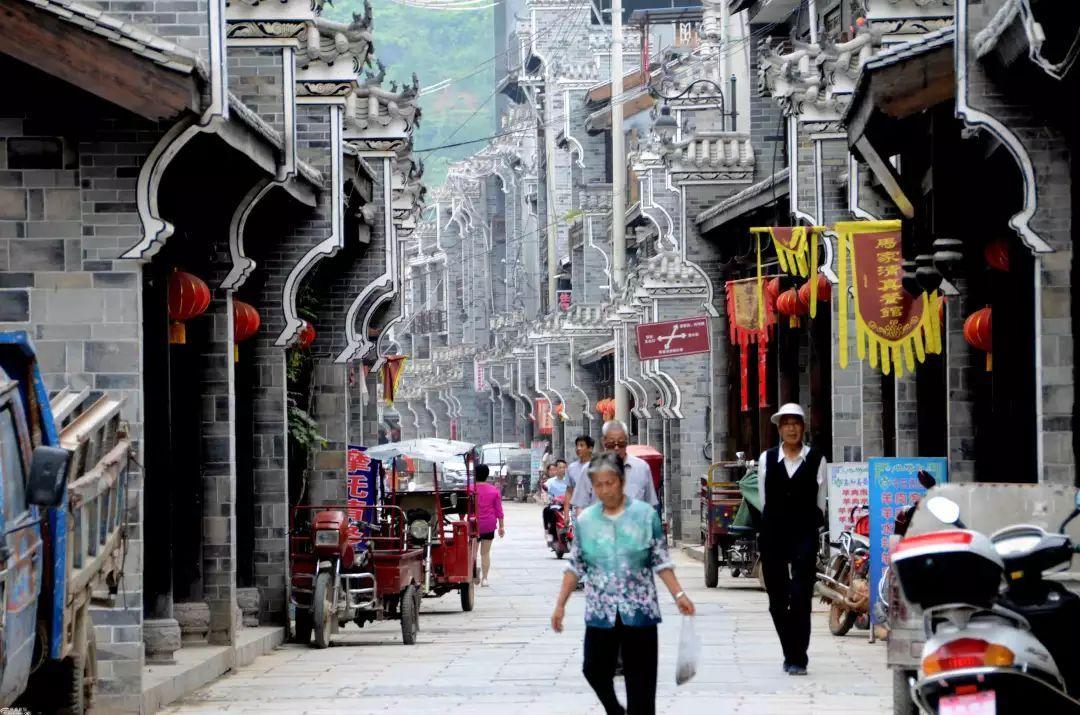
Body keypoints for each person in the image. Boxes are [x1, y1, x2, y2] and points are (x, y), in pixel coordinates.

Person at [551, 453, 694, 715]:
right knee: (593, 669)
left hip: (639, 611)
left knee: (641, 685)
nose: (605, 490)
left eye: (610, 483)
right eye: (599, 484)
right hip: (601, 611)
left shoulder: (644, 516)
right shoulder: (586, 521)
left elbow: (661, 560)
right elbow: (575, 566)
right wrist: (560, 605)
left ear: (622, 481)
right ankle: (616, 711)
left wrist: (679, 595)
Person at [757, 403, 827, 676]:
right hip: (773, 533)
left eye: (796, 423)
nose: (791, 428)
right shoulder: (767, 459)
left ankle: (798, 657)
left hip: (804, 534)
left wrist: (809, 525)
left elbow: (820, 503)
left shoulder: (817, 459)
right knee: (777, 600)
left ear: (803, 427)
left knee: (800, 595)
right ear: (779, 429)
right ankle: (790, 650)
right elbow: (764, 500)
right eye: (786, 423)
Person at [570, 420, 659, 510]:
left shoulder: (642, 467)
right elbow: (580, 507)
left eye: (621, 444)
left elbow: (650, 506)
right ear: (603, 441)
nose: (616, 448)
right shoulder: (589, 469)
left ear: (627, 440)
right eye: (611, 444)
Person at [472, 464, 504, 587]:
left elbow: (464, 509)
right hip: (488, 525)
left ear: (475, 474)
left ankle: (474, 576)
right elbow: (499, 510)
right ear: (487, 475)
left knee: (473, 553)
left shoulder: (470, 489)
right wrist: (501, 526)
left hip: (473, 525)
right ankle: (485, 579)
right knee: (485, 553)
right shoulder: (494, 490)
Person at [564, 435, 594, 519]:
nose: (578, 448)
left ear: (590, 448)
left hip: (595, 511)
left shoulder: (598, 466)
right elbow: (569, 491)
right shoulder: (571, 468)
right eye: (577, 446)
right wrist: (566, 514)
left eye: (581, 445)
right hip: (577, 512)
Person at [541, 463, 568, 543]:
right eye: (560, 468)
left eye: (563, 468)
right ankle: (551, 533)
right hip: (556, 504)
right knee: (549, 511)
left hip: (569, 503)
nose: (562, 470)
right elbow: (545, 487)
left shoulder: (569, 479)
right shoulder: (550, 481)